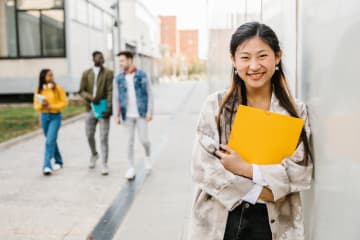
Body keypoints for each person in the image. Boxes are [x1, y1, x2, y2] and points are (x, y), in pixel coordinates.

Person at [189, 22, 313, 240]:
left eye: (262, 56)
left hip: (273, 224)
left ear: (277, 56)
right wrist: (264, 192)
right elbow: (204, 168)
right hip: (220, 219)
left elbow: (300, 173)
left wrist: (245, 168)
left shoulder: (296, 111)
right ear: (234, 61)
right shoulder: (216, 106)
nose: (254, 66)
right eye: (245, 57)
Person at [113, 51, 154, 180]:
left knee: (144, 140)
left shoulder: (143, 75)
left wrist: (149, 111)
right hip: (127, 115)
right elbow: (115, 98)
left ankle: (147, 156)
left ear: (130, 60)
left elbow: (150, 94)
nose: (120, 63)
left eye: (123, 60)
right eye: (119, 61)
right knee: (128, 142)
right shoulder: (118, 78)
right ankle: (131, 167)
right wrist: (116, 115)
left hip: (141, 113)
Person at [79, 51, 113, 175]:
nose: (102, 59)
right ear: (93, 59)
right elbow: (81, 91)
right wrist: (90, 97)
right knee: (89, 135)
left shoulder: (108, 73)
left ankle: (104, 163)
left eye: (102, 57)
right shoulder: (86, 73)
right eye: (99, 57)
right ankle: (94, 154)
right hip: (90, 108)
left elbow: (110, 91)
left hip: (103, 109)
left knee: (104, 137)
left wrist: (109, 109)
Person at [34, 69, 68, 176]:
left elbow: (64, 103)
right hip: (44, 117)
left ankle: (47, 166)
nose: (52, 77)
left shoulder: (58, 88)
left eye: (52, 75)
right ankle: (59, 161)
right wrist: (42, 105)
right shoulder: (39, 90)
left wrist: (51, 106)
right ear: (44, 77)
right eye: (49, 75)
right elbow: (36, 105)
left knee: (49, 141)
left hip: (55, 117)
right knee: (51, 140)